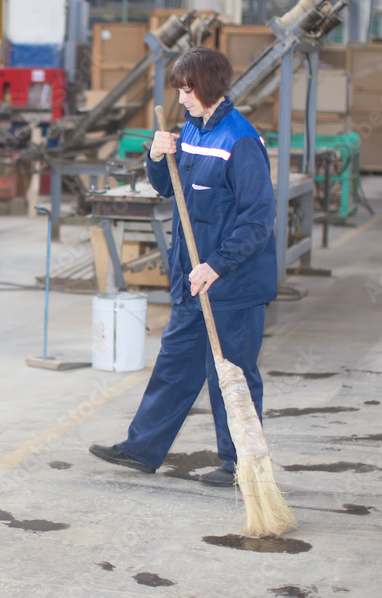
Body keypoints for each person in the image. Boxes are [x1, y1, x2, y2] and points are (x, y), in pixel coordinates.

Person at [89, 47, 277, 487]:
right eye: (179, 90)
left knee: (230, 374)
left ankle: (240, 464)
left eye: (188, 90)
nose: (182, 99)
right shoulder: (192, 130)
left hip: (231, 283)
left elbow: (257, 222)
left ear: (210, 85)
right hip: (190, 279)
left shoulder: (240, 140)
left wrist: (217, 264)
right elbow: (168, 190)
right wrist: (156, 156)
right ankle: (143, 448)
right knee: (175, 363)